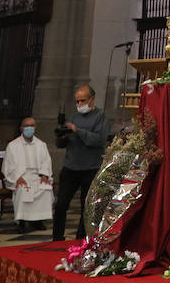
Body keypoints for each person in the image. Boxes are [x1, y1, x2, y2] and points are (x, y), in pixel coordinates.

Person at [53, 84, 109, 242]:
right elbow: (60, 145)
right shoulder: (73, 117)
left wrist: (78, 131)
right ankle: (57, 238)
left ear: (92, 100)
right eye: (77, 101)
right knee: (60, 205)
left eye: (82, 101)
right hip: (71, 167)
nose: (79, 105)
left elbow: (99, 140)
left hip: (90, 168)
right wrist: (62, 136)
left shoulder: (100, 117)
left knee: (86, 208)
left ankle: (80, 240)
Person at [3, 117, 53, 233]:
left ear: (35, 128)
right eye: (26, 125)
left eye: (32, 125)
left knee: (45, 189)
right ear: (21, 128)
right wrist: (17, 178)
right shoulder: (12, 145)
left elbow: (46, 162)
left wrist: (45, 175)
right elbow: (9, 165)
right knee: (23, 189)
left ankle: (38, 220)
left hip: (37, 176)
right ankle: (21, 220)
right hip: (21, 176)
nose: (29, 128)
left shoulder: (41, 144)